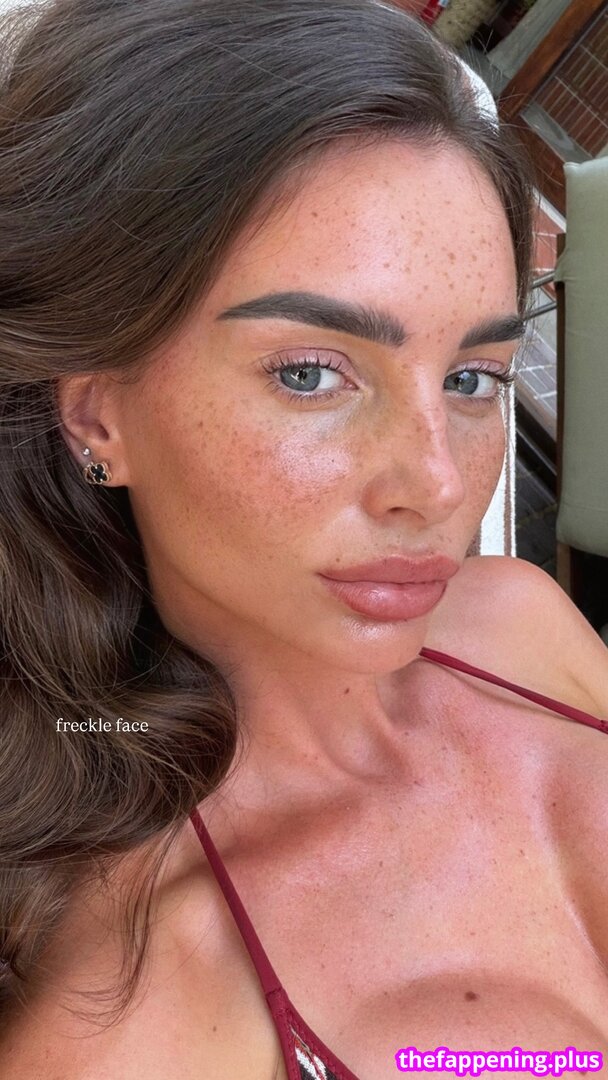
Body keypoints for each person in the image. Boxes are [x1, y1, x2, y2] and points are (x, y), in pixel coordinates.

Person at [0, 1, 607, 1077]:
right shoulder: (140, 1021)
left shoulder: (521, 623)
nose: (436, 485)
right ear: (97, 416)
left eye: (471, 378)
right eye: (310, 373)